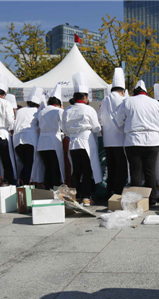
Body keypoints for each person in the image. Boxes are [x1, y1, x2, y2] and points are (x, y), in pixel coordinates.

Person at [115, 80, 159, 206]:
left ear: (134, 92)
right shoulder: (156, 103)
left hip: (134, 140)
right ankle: (152, 200)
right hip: (152, 140)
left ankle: (137, 201)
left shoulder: (127, 101)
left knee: (135, 171)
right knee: (150, 171)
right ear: (146, 92)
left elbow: (118, 121)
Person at [62, 72, 103, 206]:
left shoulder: (67, 110)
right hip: (86, 141)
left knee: (76, 171)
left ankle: (76, 197)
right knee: (87, 170)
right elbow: (96, 127)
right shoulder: (89, 109)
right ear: (85, 97)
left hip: (73, 143)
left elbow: (64, 129)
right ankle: (86, 197)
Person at [99, 68, 128, 196]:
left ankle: (110, 192)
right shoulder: (123, 100)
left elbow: (99, 117)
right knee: (121, 169)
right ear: (123, 91)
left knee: (111, 168)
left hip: (107, 140)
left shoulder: (104, 101)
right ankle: (119, 192)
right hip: (120, 140)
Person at [36, 84, 65, 190]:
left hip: (42, 142)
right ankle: (55, 189)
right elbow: (63, 126)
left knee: (47, 168)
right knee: (55, 168)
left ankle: (47, 189)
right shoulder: (59, 111)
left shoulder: (42, 111)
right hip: (54, 141)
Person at [13, 87, 42, 184]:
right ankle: (27, 184)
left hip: (17, 139)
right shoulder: (37, 111)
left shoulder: (20, 111)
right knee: (30, 164)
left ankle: (21, 183)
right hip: (30, 139)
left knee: (23, 163)